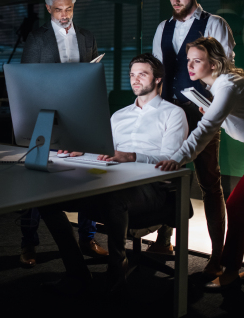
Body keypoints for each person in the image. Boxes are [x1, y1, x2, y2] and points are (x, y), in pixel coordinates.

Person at [156, 37, 244, 290]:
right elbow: (237, 117)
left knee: (237, 202)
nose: (190, 66)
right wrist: (213, 110)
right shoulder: (217, 85)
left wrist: (177, 158)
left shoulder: (227, 85)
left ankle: (230, 270)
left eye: (197, 61)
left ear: (213, 64)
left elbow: (206, 129)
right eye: (189, 60)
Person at [40, 54, 188, 295]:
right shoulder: (118, 116)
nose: (135, 79)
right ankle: (77, 272)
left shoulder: (173, 114)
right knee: (47, 200)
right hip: (112, 180)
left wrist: (131, 156)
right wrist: (83, 149)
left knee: (113, 199)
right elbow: (106, 150)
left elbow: (170, 160)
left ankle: (116, 274)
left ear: (158, 79)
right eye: (132, 74)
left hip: (153, 188)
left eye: (143, 74)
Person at [152, 0, 235, 276]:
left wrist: (213, 108)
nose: (175, 1)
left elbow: (225, 73)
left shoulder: (215, 24)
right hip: (169, 113)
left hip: (202, 114)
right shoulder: (163, 28)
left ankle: (218, 255)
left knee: (209, 182)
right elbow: (159, 74)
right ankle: (164, 239)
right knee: (166, 177)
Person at [18, 0, 105, 268]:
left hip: (78, 112)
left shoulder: (86, 36)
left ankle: (87, 237)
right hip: (45, 115)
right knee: (35, 177)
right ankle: (28, 243)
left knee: (88, 176)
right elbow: (27, 82)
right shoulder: (37, 38)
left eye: (69, 9)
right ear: (48, 9)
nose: (65, 15)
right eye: (59, 10)